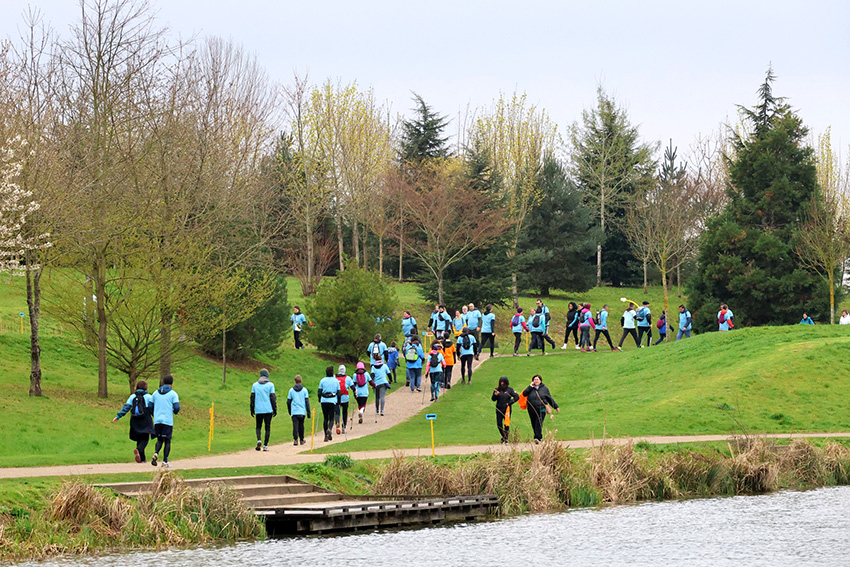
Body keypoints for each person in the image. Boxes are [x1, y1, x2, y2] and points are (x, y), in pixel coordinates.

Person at [112, 379, 154, 463]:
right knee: (145, 438)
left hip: (135, 420)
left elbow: (126, 407)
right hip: (145, 419)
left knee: (139, 438)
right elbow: (152, 409)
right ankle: (138, 450)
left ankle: (142, 459)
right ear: (146, 387)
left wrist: (118, 416)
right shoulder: (149, 397)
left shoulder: (132, 397)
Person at [150, 375, 180, 468]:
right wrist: (175, 412)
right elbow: (176, 407)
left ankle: (156, 453)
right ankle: (165, 461)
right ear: (172, 383)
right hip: (167, 420)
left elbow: (150, 406)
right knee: (167, 441)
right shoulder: (173, 394)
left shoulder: (155, 393)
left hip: (157, 420)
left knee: (159, 439)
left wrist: (154, 414)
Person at [522, 374, 559, 444]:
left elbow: (549, 398)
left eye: (537, 379)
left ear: (540, 381)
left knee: (538, 423)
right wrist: (530, 386)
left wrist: (556, 406)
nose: (536, 381)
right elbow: (524, 394)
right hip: (531, 409)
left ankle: (537, 438)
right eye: (534, 379)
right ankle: (539, 437)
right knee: (533, 423)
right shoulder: (530, 388)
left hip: (541, 408)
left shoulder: (544, 388)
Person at [250, 369, 277, 451]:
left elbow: (252, 398)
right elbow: (273, 397)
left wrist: (252, 409)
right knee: (267, 427)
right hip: (268, 409)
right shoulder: (271, 385)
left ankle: (259, 439)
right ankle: (265, 445)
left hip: (258, 409)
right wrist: (274, 408)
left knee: (258, 426)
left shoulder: (255, 385)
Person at [492, 376, 519, 444]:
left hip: (507, 409)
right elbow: (493, 399)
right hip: (499, 408)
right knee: (499, 424)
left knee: (506, 424)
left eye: (503, 382)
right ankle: (503, 436)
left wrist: (510, 403)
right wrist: (495, 395)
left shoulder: (510, 390)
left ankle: (506, 438)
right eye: (501, 382)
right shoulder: (497, 389)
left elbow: (517, 397)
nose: (502, 384)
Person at [317, 366, 340, 441]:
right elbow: (338, 392)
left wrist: (319, 399)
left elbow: (319, 392)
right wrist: (338, 401)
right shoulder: (336, 381)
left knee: (325, 418)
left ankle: (325, 436)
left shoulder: (322, 380)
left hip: (324, 401)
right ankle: (330, 429)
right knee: (331, 418)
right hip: (332, 401)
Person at [286, 375, 310, 446]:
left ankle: (295, 439)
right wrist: (308, 412)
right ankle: (302, 439)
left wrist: (289, 411)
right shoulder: (305, 390)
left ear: (295, 381)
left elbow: (288, 402)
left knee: (295, 426)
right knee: (301, 425)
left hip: (294, 411)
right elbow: (307, 402)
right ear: (301, 381)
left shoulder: (291, 390)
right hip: (302, 411)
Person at [334, 365, 354, 434]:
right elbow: (353, 387)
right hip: (345, 398)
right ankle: (343, 427)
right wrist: (355, 393)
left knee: (337, 412)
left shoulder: (334, 377)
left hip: (336, 398)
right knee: (345, 412)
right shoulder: (348, 378)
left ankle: (337, 422)